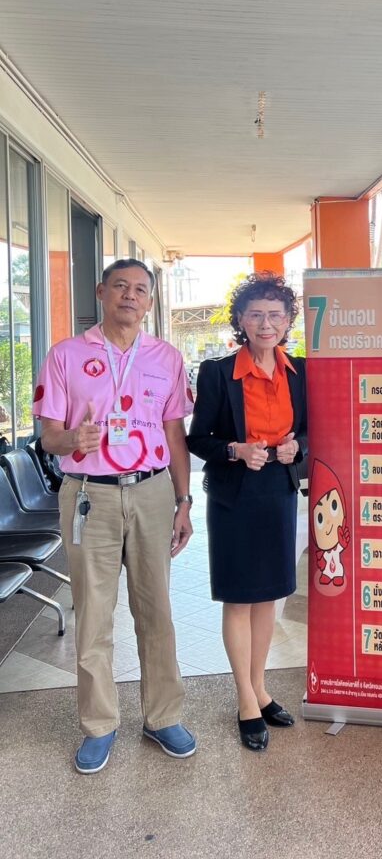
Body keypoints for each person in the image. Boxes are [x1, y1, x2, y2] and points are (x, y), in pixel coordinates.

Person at [33, 258, 196, 774]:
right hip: (89, 495)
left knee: (156, 612)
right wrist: (71, 439)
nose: (130, 295)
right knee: (94, 614)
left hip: (151, 493)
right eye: (120, 286)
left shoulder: (167, 357)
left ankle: (163, 716)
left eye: (140, 289)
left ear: (150, 302)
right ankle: (99, 725)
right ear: (101, 293)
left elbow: (175, 434)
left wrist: (184, 500)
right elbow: (48, 437)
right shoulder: (65, 355)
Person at [187, 272, 307, 752]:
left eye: (275, 315)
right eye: (255, 314)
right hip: (234, 497)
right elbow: (198, 439)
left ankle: (261, 688)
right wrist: (235, 450)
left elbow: (311, 432)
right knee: (239, 599)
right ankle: (244, 700)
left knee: (268, 597)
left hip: (278, 493)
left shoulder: (299, 371)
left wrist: (296, 449)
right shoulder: (218, 372)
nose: (266, 323)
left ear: (288, 320)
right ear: (240, 319)